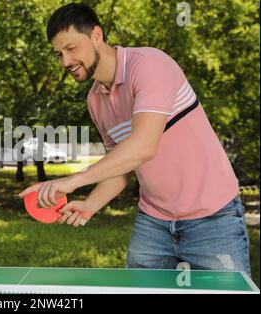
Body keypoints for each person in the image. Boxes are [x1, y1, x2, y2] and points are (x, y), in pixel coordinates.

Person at [19, 3, 251, 276]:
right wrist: (91, 205)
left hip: (213, 216)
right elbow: (122, 166)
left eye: (71, 49)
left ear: (96, 35)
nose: (65, 62)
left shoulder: (150, 65)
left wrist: (73, 180)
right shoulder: (95, 100)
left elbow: (143, 146)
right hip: (154, 221)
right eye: (59, 54)